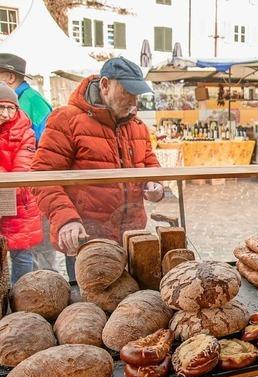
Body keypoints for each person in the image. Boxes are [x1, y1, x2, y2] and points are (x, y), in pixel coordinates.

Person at [31, 57, 164, 281]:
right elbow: (42, 177)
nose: (133, 101)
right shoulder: (66, 120)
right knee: (89, 308)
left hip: (132, 235)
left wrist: (155, 185)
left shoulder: (137, 125)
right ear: (104, 85)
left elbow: (150, 163)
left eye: (136, 94)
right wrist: (65, 219)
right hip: (86, 237)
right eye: (126, 92)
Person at [0, 54, 56, 272]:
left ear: (10, 76)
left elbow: (39, 151)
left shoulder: (33, 102)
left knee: (30, 255)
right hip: (12, 196)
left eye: (9, 108)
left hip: (22, 198)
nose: (6, 113)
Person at [0, 83, 42, 283]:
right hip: (7, 197)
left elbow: (23, 165)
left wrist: (8, 185)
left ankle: (21, 299)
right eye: (1, 107)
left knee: (22, 256)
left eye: (11, 108)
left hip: (20, 204)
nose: (6, 113)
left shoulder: (25, 132)